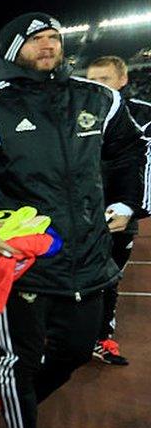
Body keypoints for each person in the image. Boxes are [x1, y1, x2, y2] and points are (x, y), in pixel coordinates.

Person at [0, 13, 149, 428]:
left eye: (53, 38)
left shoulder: (98, 99)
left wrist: (127, 204)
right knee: (19, 361)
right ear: (12, 49)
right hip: (19, 261)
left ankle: (14, 401)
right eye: (36, 40)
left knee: (78, 350)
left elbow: (131, 150)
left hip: (87, 254)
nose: (48, 46)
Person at [84, 55, 151, 365]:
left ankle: (102, 338)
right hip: (78, 212)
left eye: (104, 79)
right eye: (91, 79)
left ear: (122, 80)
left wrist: (133, 209)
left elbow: (144, 164)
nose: (95, 85)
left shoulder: (143, 115)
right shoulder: (74, 112)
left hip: (118, 213)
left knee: (109, 278)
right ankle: (64, 338)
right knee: (67, 276)